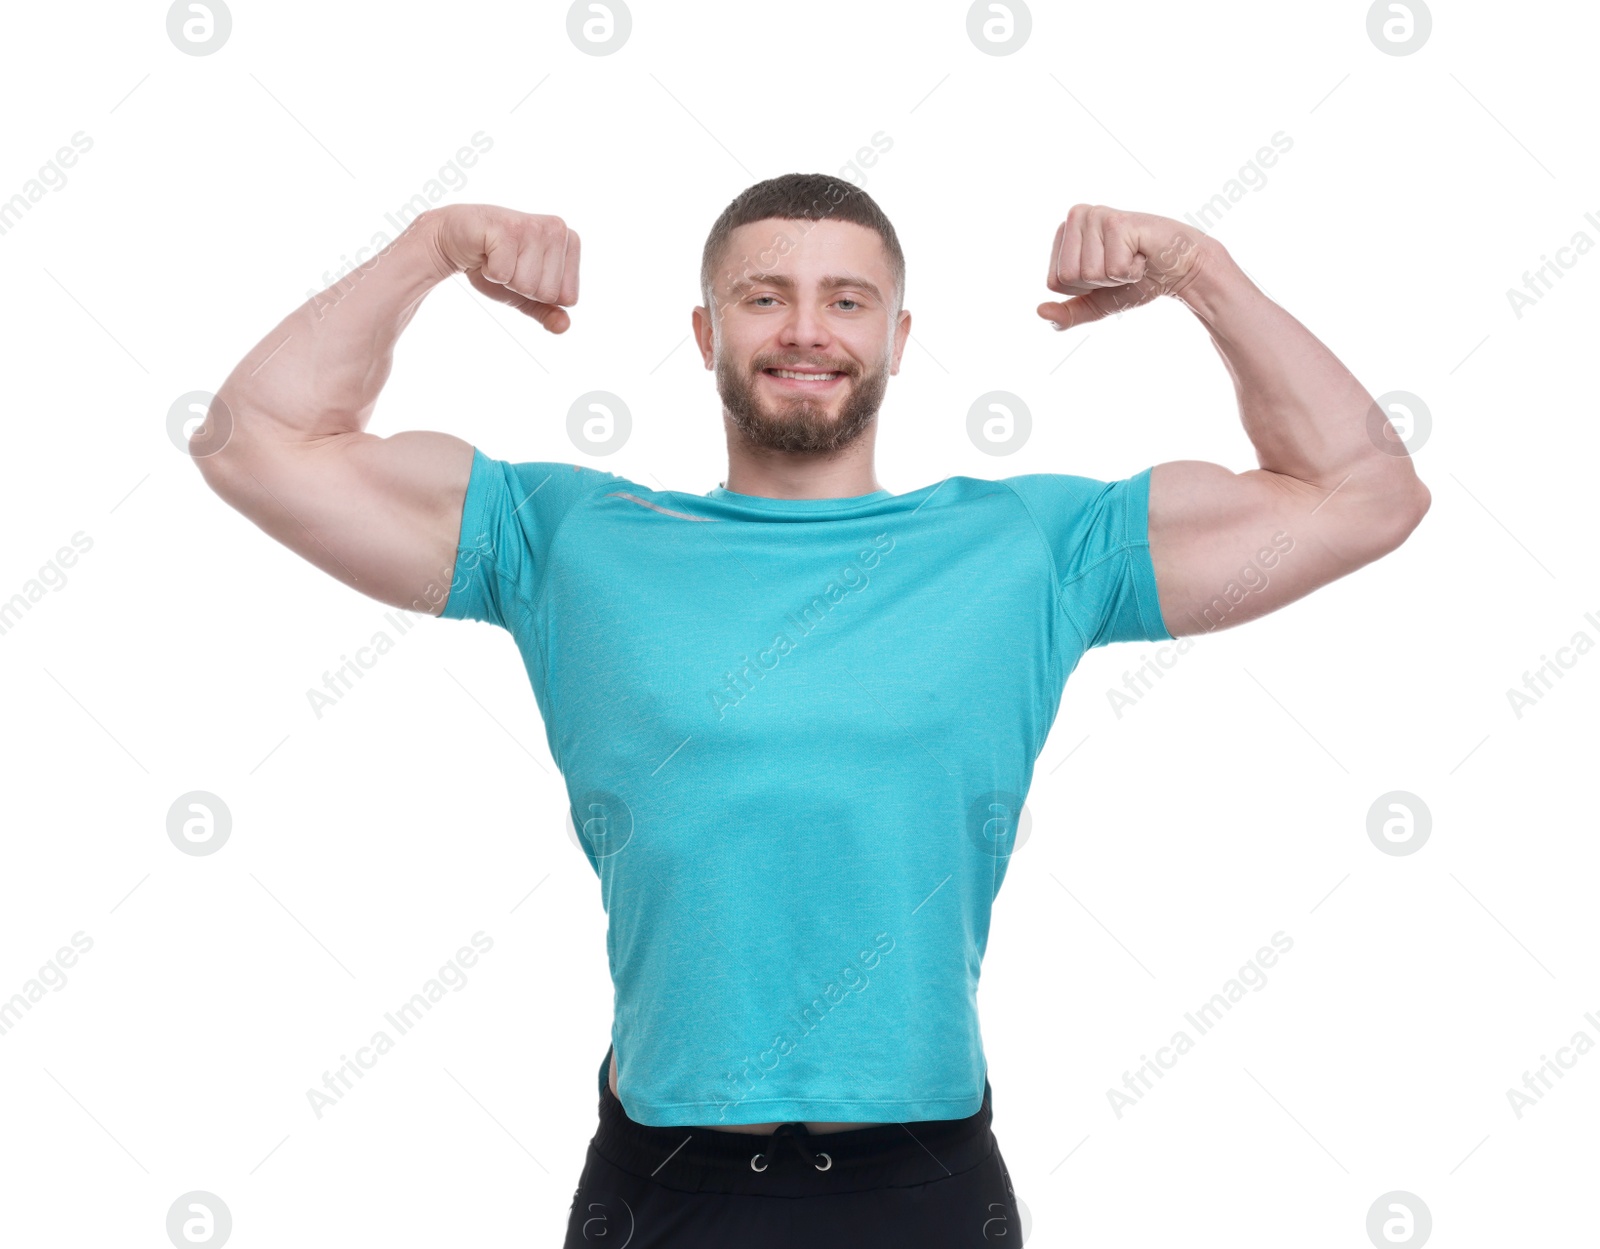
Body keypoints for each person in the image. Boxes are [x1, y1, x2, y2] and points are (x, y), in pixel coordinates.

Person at [192, 173, 1429, 1247]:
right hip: (666, 1181)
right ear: (703, 329)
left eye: (846, 299)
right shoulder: (568, 535)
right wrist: (434, 246)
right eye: (763, 295)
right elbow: (256, 441)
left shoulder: (1028, 545)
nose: (804, 329)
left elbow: (1361, 491)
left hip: (923, 1184)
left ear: (898, 335)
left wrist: (1200, 271)